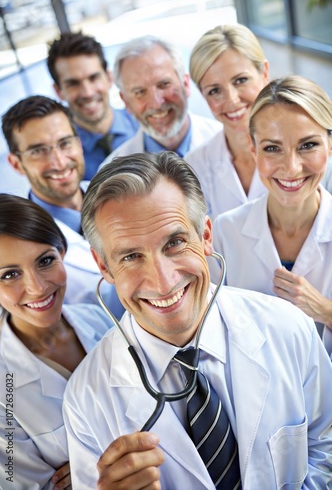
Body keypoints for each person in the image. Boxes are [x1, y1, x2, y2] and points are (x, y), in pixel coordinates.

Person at [62, 152, 332, 489]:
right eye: (131, 256)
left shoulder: (289, 329)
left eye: (174, 243)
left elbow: (325, 449)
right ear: (104, 267)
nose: (162, 281)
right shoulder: (87, 399)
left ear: (205, 236)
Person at [212, 75, 332, 358]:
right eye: (272, 148)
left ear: (330, 144)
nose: (291, 168)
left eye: (308, 145)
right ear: (253, 150)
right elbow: (211, 329)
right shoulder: (227, 231)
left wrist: (324, 310)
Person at [0, 194, 113, 489]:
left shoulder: (100, 320)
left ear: (63, 251)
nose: (37, 287)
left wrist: (86, 470)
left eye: (45, 261)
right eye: (10, 275)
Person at [1, 95, 124, 318]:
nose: (58, 162)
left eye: (65, 143)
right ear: (16, 163)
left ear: (78, 143)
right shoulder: (14, 244)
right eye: (38, 151)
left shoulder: (123, 198)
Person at [185, 24, 269, 220]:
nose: (231, 99)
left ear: (264, 73)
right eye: (214, 90)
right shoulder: (195, 166)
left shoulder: (307, 148)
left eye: (240, 80)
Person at [99, 35, 220, 168]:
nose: (156, 103)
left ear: (185, 84)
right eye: (139, 92)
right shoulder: (112, 173)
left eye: (164, 84)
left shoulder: (223, 142)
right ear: (126, 101)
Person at [47, 31, 139, 180]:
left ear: (109, 78)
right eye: (73, 83)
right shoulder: (61, 161)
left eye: (94, 77)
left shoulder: (145, 126)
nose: (88, 93)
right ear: (59, 91)